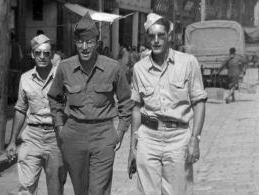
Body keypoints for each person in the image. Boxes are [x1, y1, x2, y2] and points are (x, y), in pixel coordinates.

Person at [47, 12, 134, 195]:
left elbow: (126, 100)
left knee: (97, 190)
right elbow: (55, 97)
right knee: (81, 190)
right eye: (80, 42)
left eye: (89, 42)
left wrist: (120, 132)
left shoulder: (113, 68)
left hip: (103, 134)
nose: (85, 47)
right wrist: (60, 127)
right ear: (75, 42)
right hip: (73, 134)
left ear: (97, 42)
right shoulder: (65, 67)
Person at [128, 13, 207, 195]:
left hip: (178, 139)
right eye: (151, 36)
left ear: (169, 36)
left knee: (178, 192)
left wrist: (195, 139)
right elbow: (136, 108)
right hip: (148, 138)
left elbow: (199, 103)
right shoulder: (139, 68)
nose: (156, 40)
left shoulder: (188, 63)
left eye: (161, 35)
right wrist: (133, 148)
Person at [5, 34, 66, 195]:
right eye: (38, 52)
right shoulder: (25, 79)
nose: (42, 56)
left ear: (52, 55)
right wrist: (12, 141)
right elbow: (20, 109)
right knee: (26, 188)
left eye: (46, 53)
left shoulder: (62, 78)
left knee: (56, 189)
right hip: (32, 136)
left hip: (55, 139)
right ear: (32, 54)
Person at [8, 32, 23, 104]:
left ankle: (10, 98)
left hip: (10, 67)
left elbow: (9, 57)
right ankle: (15, 97)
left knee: (10, 84)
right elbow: (21, 56)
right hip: (17, 68)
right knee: (16, 84)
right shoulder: (17, 45)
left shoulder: (9, 45)